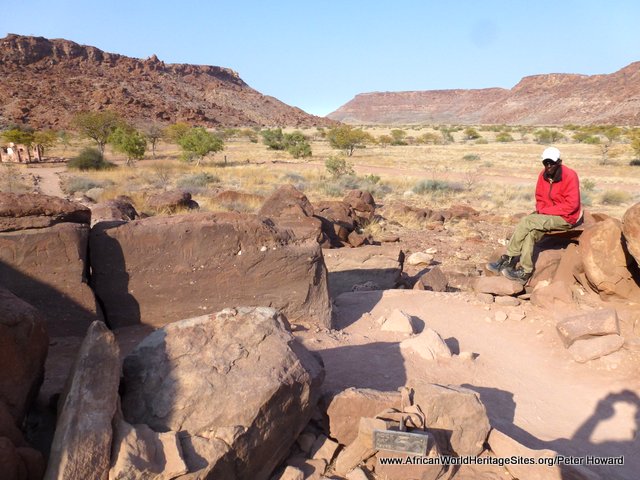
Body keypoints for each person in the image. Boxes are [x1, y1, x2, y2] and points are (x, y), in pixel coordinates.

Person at [486, 146, 582, 284]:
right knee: (530, 233)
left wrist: (545, 212)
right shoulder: (543, 175)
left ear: (559, 162)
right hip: (547, 215)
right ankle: (525, 272)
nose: (548, 166)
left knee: (527, 221)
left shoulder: (570, 175)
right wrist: (542, 211)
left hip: (566, 218)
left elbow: (571, 206)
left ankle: (508, 258)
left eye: (551, 163)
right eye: (545, 162)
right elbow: (540, 199)